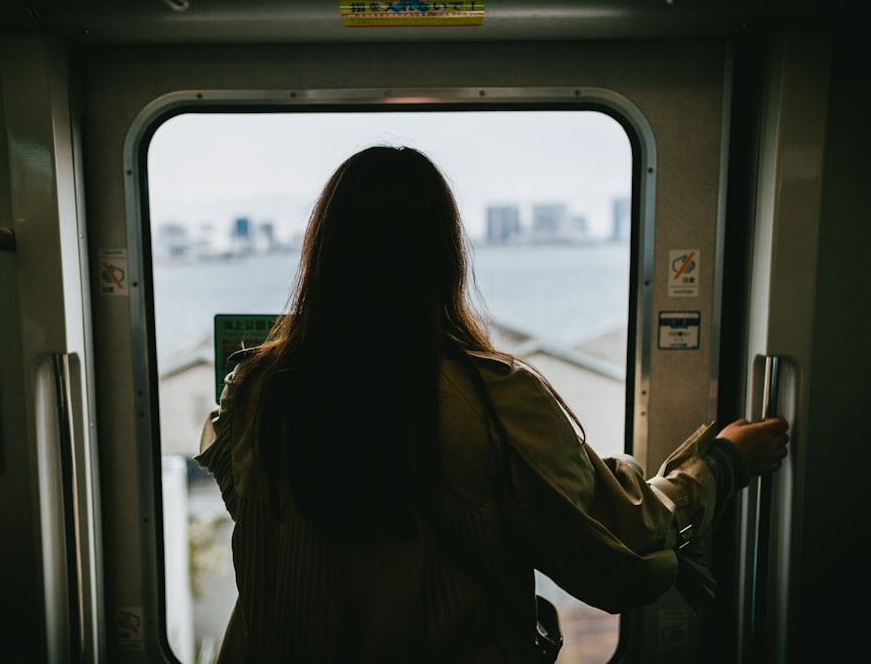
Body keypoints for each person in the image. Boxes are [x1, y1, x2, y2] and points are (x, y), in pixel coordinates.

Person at [196, 145, 790, 663]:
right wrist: (720, 464)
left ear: (322, 258)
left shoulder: (254, 393)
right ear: (444, 258)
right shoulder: (494, 400)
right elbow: (622, 539)